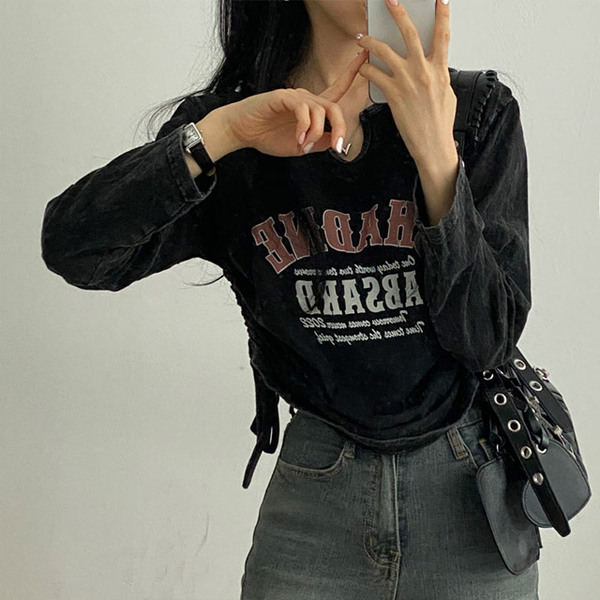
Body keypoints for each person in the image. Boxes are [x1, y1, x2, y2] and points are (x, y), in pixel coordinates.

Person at [40, 0, 540, 598]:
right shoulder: (238, 130)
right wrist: (225, 134)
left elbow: (488, 340)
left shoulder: (477, 114)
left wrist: (436, 153)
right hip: (316, 494)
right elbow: (75, 250)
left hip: (470, 487)